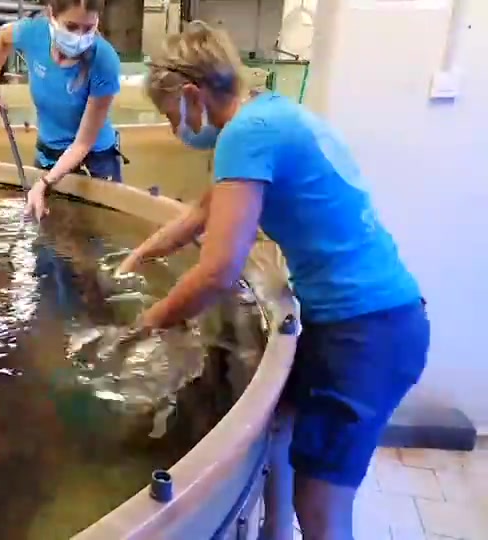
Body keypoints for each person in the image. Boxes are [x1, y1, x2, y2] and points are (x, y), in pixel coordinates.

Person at [117, 22, 429, 540]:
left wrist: (147, 324)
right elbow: (203, 211)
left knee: (322, 504)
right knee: (277, 423)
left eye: (171, 116)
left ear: (193, 96)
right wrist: (144, 252)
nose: (176, 129)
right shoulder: (271, 114)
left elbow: (218, 271)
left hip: (365, 334)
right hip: (370, 322)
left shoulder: (246, 134)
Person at [0, 0, 123, 221]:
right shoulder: (33, 33)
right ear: (51, 15)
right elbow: (2, 37)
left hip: (94, 159)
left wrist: (44, 183)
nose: (79, 37)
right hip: (48, 152)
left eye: (88, 28)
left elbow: (83, 143)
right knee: (44, 228)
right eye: (71, 26)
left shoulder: (104, 61)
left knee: (93, 235)